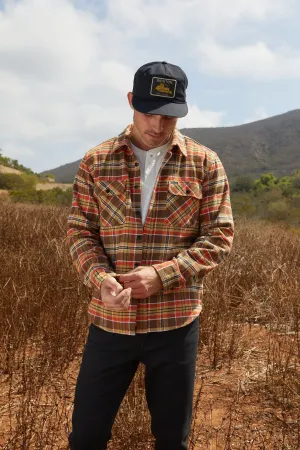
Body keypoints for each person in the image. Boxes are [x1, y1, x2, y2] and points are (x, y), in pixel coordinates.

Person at [67, 61, 234, 450]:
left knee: (172, 439)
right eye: (148, 112)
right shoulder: (96, 161)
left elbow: (220, 235)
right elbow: (80, 232)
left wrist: (163, 275)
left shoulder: (205, 163)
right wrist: (99, 279)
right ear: (130, 101)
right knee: (86, 436)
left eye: (168, 115)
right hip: (110, 322)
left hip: (175, 325)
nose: (157, 125)